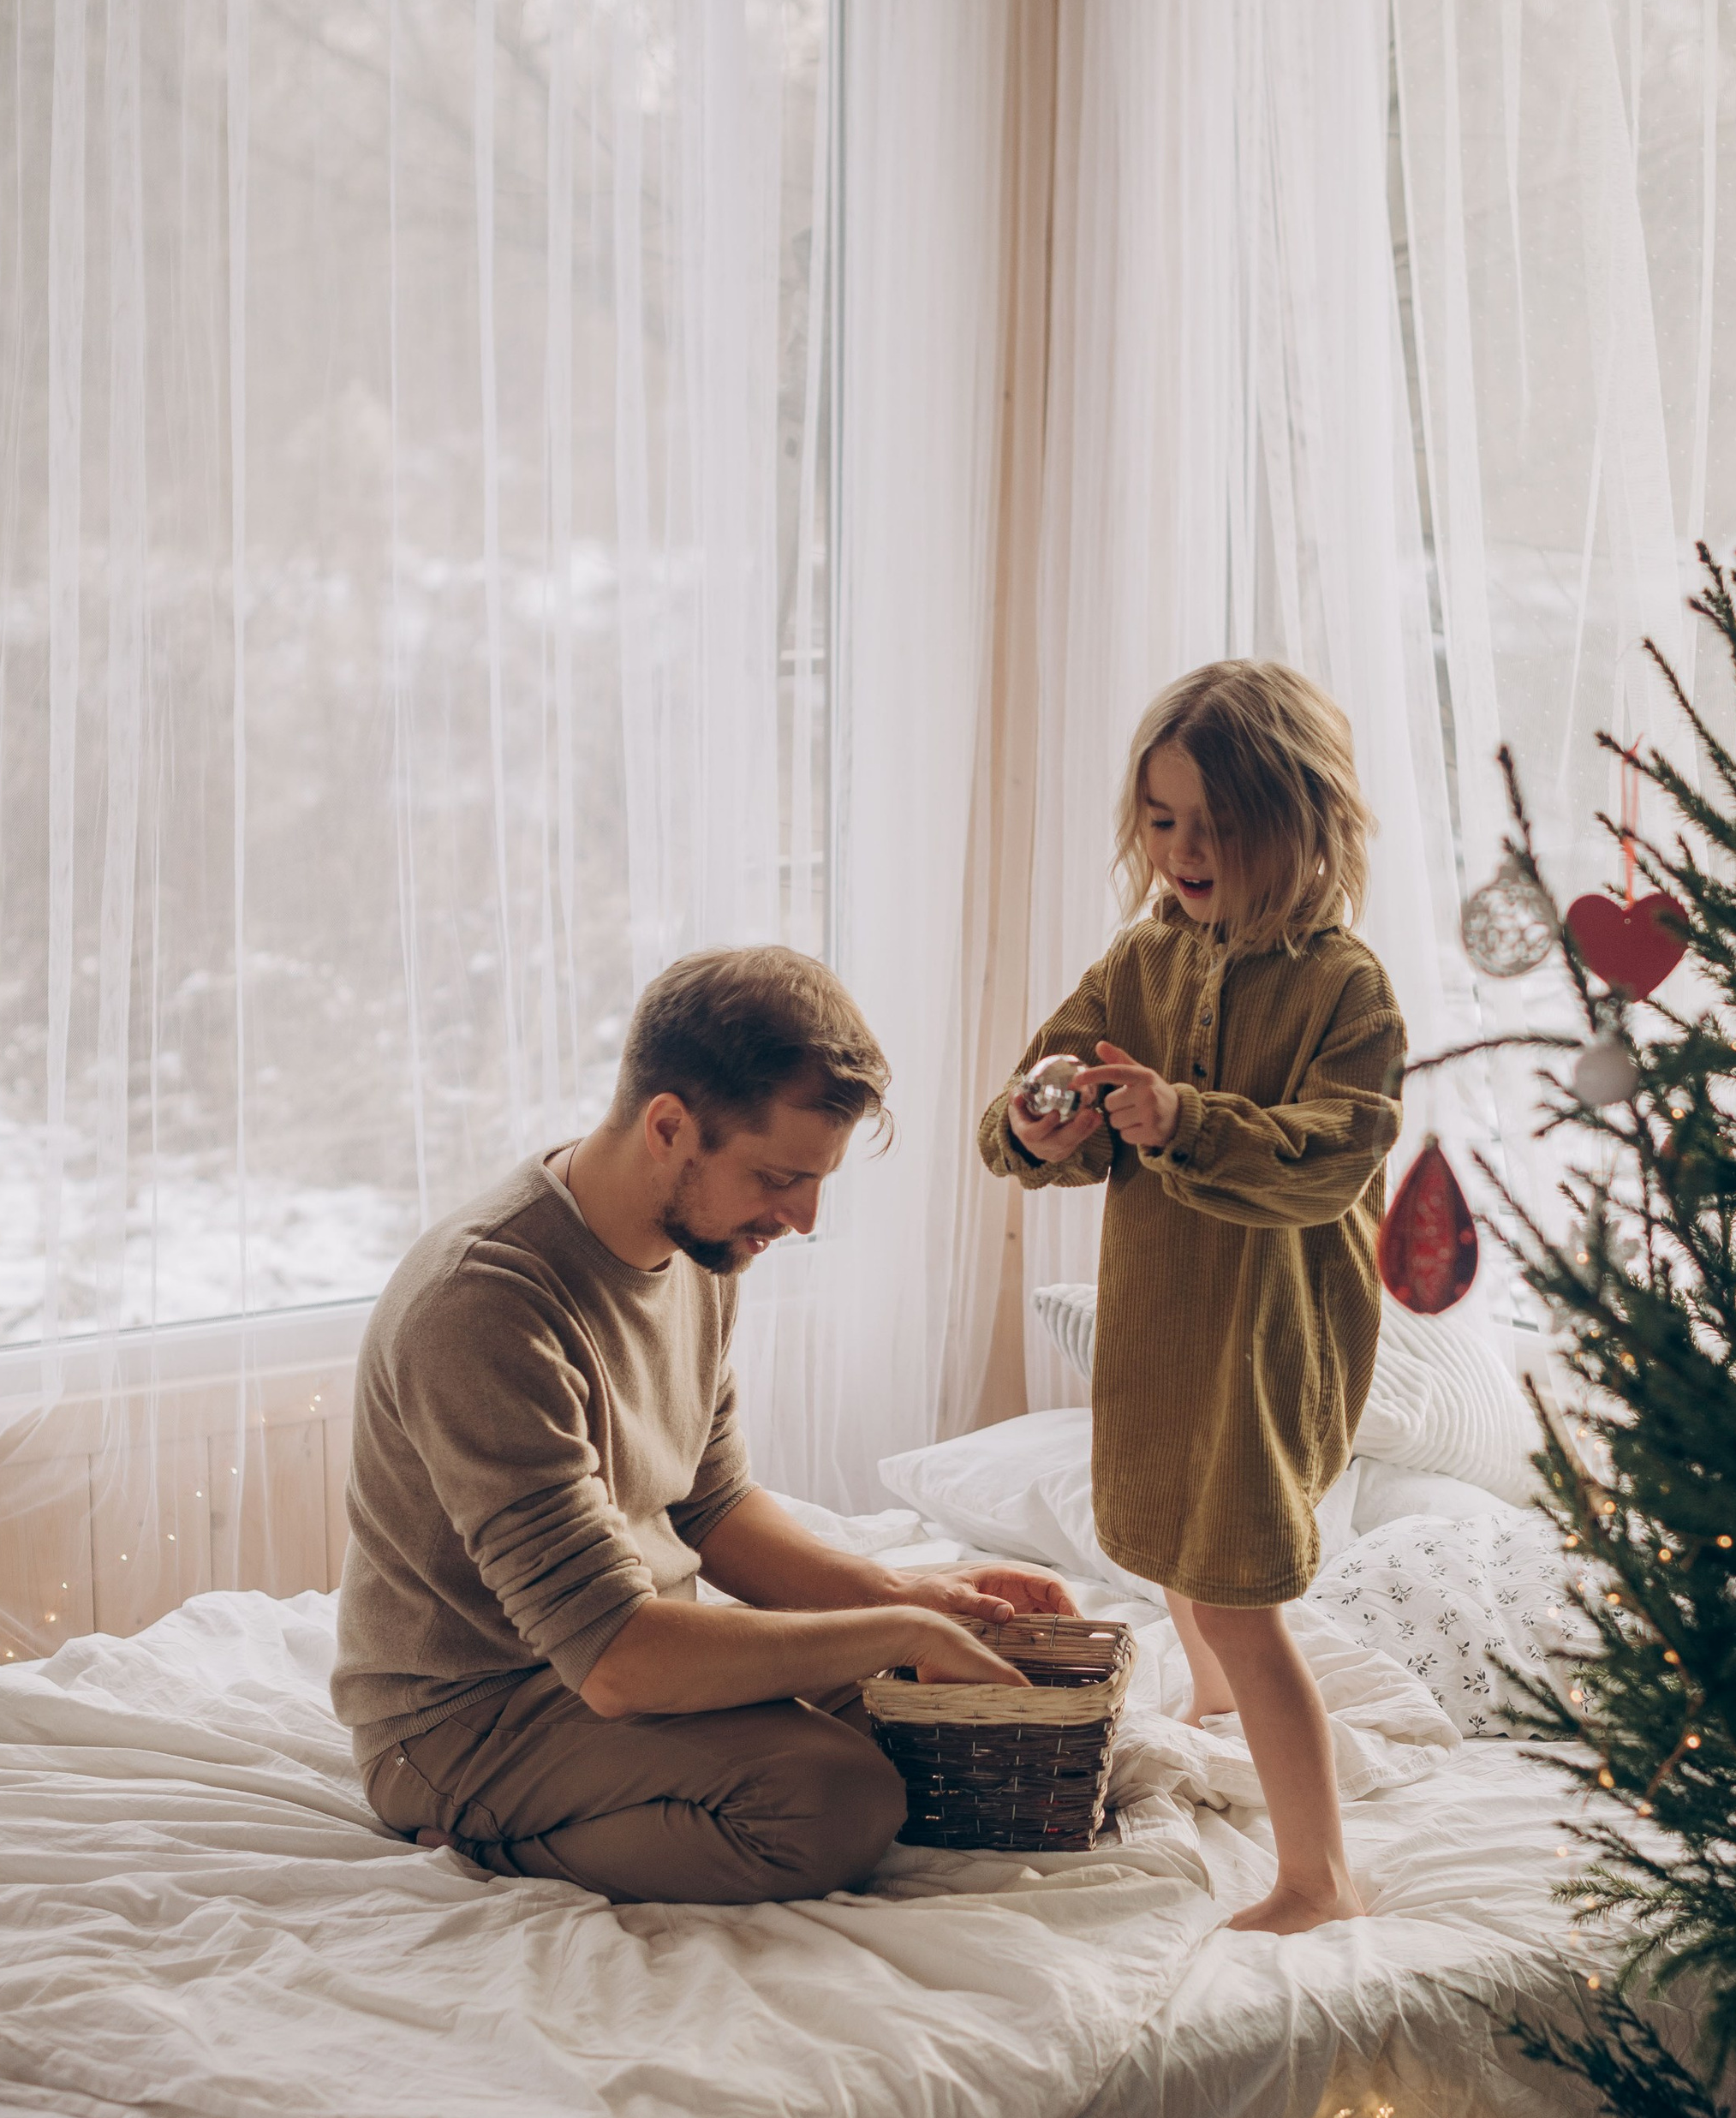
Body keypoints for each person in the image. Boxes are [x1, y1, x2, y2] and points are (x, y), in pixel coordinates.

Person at [334, 946, 1071, 1906]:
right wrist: (886, 1624)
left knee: (959, 1708)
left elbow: (709, 1506)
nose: (801, 1218)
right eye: (777, 1176)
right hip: (472, 1713)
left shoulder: (704, 1248)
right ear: (670, 1126)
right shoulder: (483, 1304)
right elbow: (615, 1662)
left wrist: (911, 1594)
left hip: (634, 1649)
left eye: (816, 1182)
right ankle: (490, 1842)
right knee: (835, 1799)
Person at [979, 661, 1405, 1936]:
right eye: (1163, 819)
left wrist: (1186, 1115)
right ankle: (1214, 1697)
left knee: (1233, 1573)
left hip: (1275, 1326)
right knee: (1168, 1523)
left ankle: (1319, 1873)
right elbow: (1030, 1095)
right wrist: (1042, 1113)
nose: (1186, 847)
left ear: (1306, 818)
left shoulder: (1346, 986)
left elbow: (1332, 1150)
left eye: (1219, 820)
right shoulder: (1142, 959)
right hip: (1166, 1315)